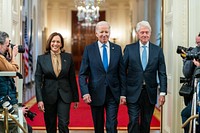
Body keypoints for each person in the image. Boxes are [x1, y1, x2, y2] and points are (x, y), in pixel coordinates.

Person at [78, 21, 126, 133]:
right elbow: (82, 74)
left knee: (111, 125)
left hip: (113, 93)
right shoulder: (89, 49)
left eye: (106, 31)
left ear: (110, 33)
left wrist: (123, 93)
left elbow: (122, 74)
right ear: (96, 33)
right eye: (101, 32)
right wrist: (85, 92)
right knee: (98, 127)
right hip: (95, 94)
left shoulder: (117, 49)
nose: (104, 34)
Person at [123, 21, 167, 133]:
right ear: (137, 34)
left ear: (150, 33)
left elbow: (162, 72)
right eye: (142, 32)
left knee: (146, 122)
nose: (144, 35)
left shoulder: (158, 51)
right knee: (133, 121)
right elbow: (122, 72)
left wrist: (162, 92)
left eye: (147, 32)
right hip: (132, 92)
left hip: (149, 93)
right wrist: (122, 93)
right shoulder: (129, 49)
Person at [35, 32, 79, 133]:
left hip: (65, 94)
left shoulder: (68, 57)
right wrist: (39, 100)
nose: (55, 44)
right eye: (53, 41)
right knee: (50, 125)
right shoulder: (42, 59)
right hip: (48, 95)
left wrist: (76, 98)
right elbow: (38, 81)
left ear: (61, 44)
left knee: (63, 123)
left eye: (58, 42)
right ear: (49, 43)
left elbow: (72, 78)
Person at [0, 31, 20, 133]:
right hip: (5, 100)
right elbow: (13, 72)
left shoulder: (3, 58)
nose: (9, 48)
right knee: (14, 126)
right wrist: (14, 57)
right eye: (7, 45)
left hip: (8, 97)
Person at [181, 33, 200, 133]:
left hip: (197, 95)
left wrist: (197, 65)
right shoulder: (194, 51)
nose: (197, 46)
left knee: (186, 114)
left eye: (199, 43)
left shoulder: (195, 53)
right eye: (196, 43)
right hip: (194, 94)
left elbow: (187, 73)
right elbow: (187, 73)